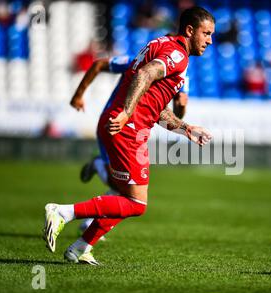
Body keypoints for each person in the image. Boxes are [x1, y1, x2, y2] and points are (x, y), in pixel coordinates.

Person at [42, 6, 215, 265]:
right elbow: (145, 74)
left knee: (125, 198)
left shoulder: (161, 43)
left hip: (131, 126)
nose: (210, 41)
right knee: (136, 203)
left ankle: (80, 247)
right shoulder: (177, 56)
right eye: (207, 33)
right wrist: (126, 112)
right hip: (129, 129)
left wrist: (186, 129)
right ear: (190, 31)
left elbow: (156, 108)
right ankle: (63, 213)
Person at [70, 53, 189, 236]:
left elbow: (176, 115)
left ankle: (86, 231)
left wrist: (181, 104)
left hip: (135, 131)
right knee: (125, 189)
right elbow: (99, 64)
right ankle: (96, 171)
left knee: (126, 188)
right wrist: (78, 95)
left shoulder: (180, 76)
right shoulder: (139, 62)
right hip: (114, 124)